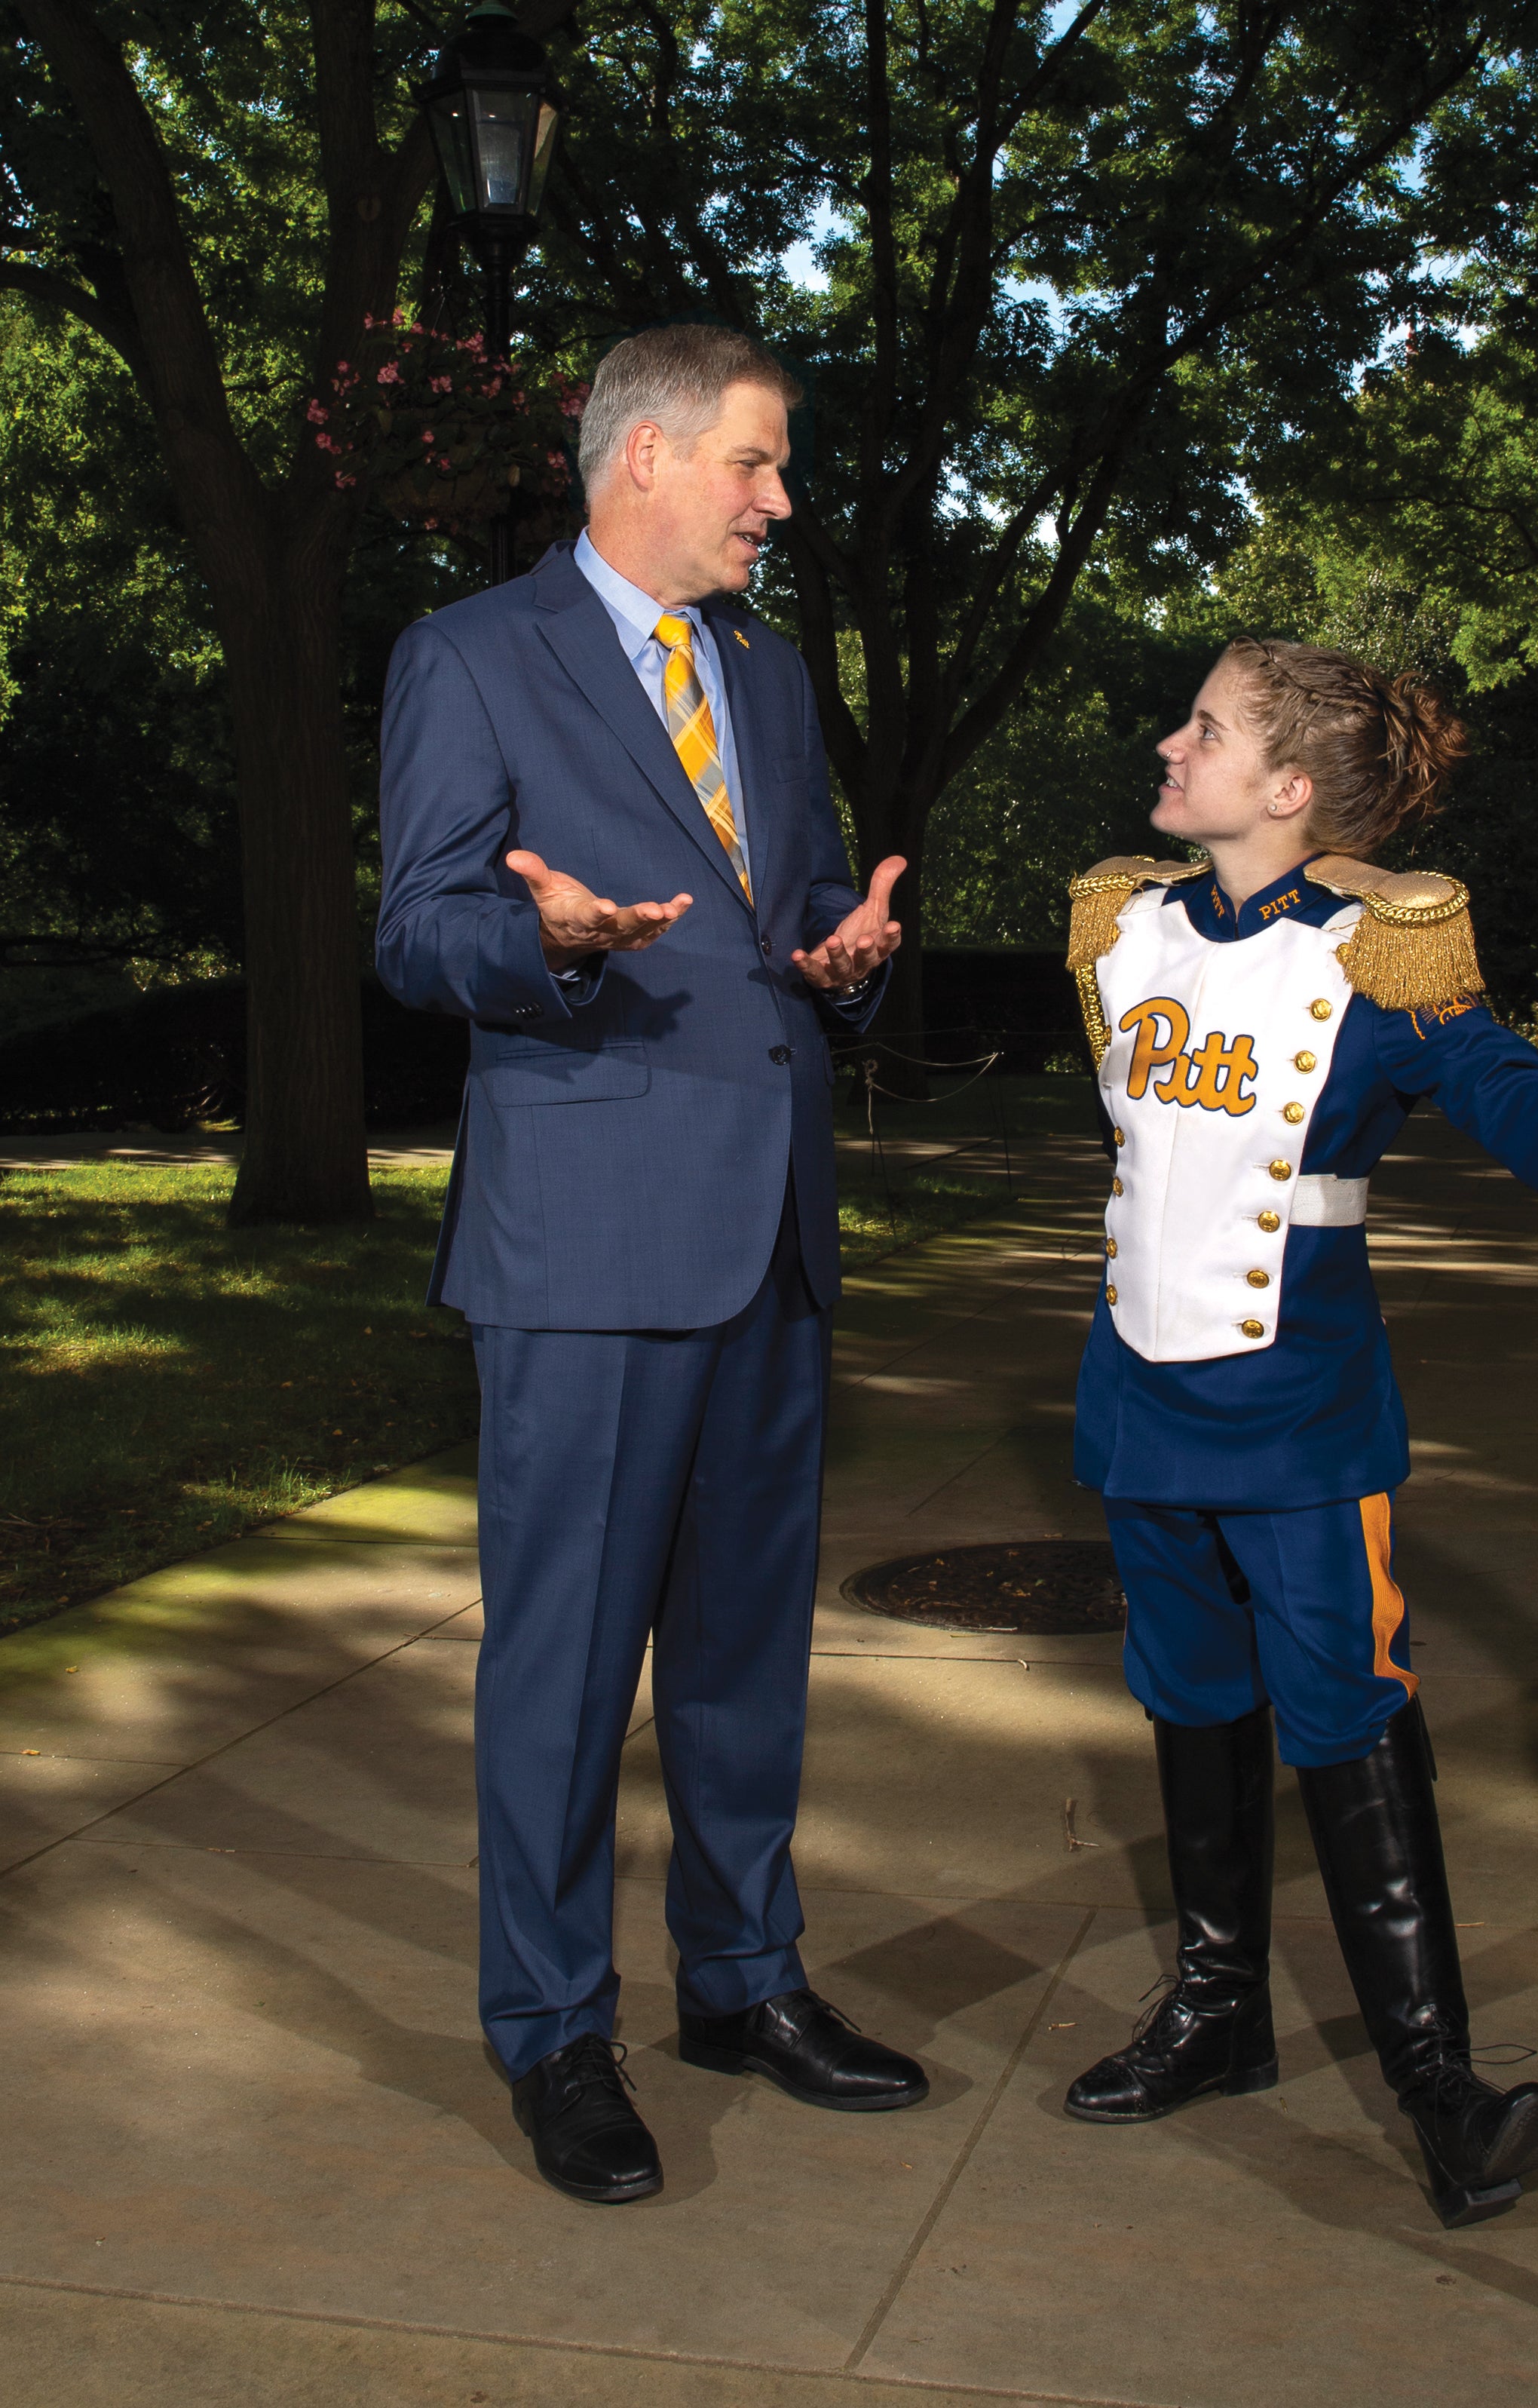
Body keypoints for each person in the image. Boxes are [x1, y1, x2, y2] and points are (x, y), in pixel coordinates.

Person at [1061, 637, 1538, 2229]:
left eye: (1208, 729)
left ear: (1288, 790)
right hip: (1138, 1397)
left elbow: (1510, 1090)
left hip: (1299, 1414)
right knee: (1186, 1698)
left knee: (1345, 1708)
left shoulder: (1382, 954)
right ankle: (1216, 2008)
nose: (1171, 742)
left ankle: (1438, 2088)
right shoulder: (1124, 926)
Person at [377, 324, 926, 2206]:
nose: (780, 501)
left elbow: (791, 908)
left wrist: (838, 963)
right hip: (588, 1246)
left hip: (768, 1228)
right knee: (562, 1667)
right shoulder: (467, 653)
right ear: (648, 462)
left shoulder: (762, 677)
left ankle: (742, 1980)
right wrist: (561, 946)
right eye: (758, 466)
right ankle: (549, 2033)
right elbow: (420, 928)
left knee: (742, 1658)